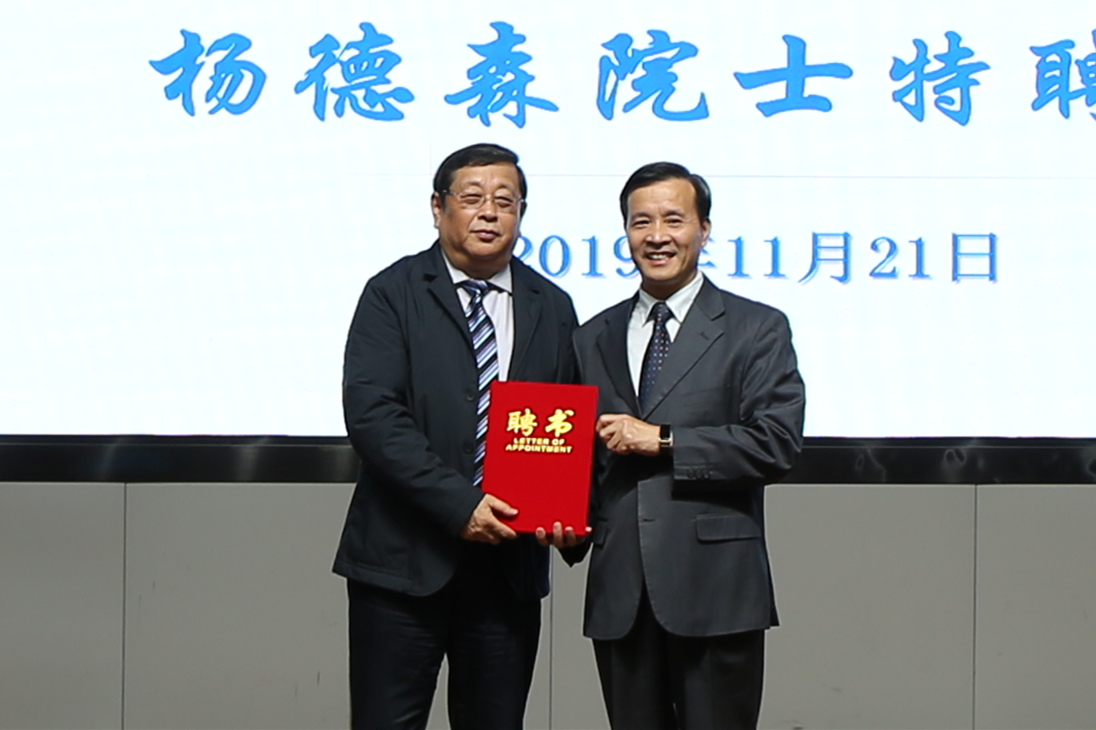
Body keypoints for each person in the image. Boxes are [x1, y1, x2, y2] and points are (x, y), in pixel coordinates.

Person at [334, 143, 578, 730]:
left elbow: (564, 425)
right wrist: (458, 504)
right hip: (401, 566)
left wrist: (568, 516)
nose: (489, 212)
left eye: (505, 201)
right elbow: (373, 416)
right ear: (438, 207)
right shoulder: (392, 292)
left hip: (507, 574)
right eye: (472, 198)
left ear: (522, 214)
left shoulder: (552, 305)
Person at [553, 162, 805, 729]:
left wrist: (663, 440)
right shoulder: (591, 336)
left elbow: (776, 443)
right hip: (621, 591)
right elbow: (584, 459)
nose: (657, 236)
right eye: (641, 222)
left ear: (704, 229)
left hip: (715, 588)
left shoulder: (756, 328)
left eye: (674, 219)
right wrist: (566, 524)